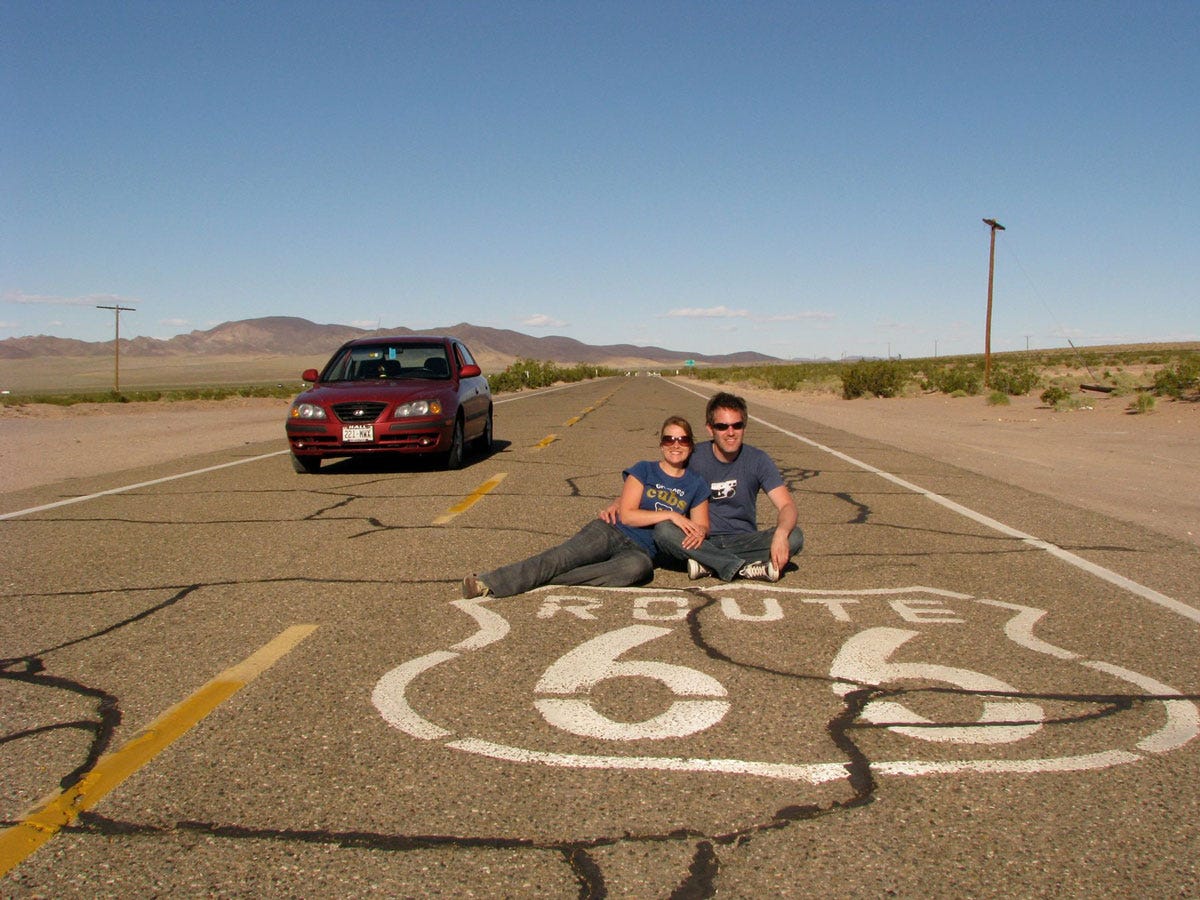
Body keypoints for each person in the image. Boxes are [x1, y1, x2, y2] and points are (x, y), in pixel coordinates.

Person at [462, 416, 710, 598]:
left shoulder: (696, 484)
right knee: (562, 557)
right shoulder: (644, 469)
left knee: (637, 570)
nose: (675, 445)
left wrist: (699, 531)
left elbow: (701, 526)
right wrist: (671, 514)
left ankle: (542, 580)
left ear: (690, 444)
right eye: (669, 439)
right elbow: (628, 515)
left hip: (642, 552)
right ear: (661, 444)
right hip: (612, 531)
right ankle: (487, 582)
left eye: (682, 439)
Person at [652, 391, 804, 582]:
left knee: (794, 536)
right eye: (722, 426)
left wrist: (781, 534)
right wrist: (622, 502)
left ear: (744, 428)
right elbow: (658, 479)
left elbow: (787, 506)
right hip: (700, 539)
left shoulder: (758, 460)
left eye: (737, 425)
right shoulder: (694, 457)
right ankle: (741, 567)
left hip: (744, 540)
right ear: (710, 429)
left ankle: (708, 563)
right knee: (663, 531)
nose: (730, 432)